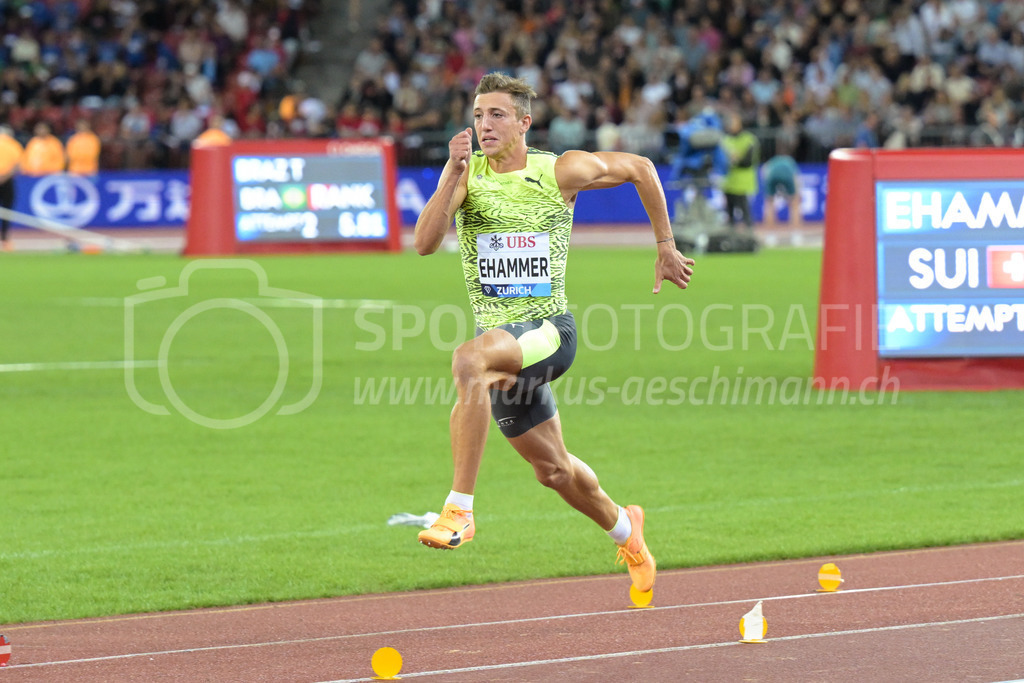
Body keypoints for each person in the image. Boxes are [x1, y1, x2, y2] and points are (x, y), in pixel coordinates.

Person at [412, 73, 695, 593]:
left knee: (468, 362)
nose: (484, 125)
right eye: (477, 115)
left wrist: (665, 245)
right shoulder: (466, 174)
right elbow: (425, 243)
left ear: (525, 122)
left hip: (548, 332)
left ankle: (459, 510)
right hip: (504, 344)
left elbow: (642, 168)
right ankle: (628, 531)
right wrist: (451, 175)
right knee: (554, 471)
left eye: (497, 115)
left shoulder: (560, 170)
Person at [720, 112, 759, 230]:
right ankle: (729, 238)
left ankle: (750, 235)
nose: (731, 124)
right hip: (728, 182)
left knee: (745, 211)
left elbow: (748, 161)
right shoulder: (725, 140)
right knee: (729, 212)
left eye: (733, 122)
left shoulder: (749, 139)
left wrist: (734, 160)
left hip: (744, 182)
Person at [760, 154, 802, 230]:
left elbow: (764, 172)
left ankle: (770, 232)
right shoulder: (790, 162)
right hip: (787, 175)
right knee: (795, 203)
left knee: (769, 203)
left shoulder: (772, 161)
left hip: (771, 176)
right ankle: (796, 231)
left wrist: (769, 191)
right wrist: (796, 194)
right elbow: (796, 179)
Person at [0, 124, 24, 251]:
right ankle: (5, 240)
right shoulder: (14, 144)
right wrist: (4, 177)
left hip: (6, 179)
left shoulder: (13, 145)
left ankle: (4, 239)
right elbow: (18, 165)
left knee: (7, 211)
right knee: (7, 210)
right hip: (8, 180)